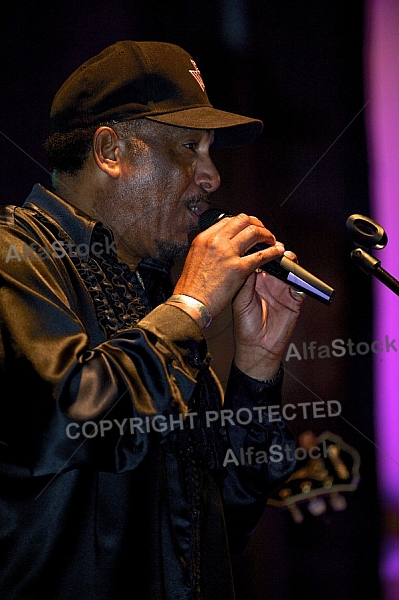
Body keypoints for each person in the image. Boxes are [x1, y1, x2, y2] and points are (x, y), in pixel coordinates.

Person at [0, 41, 304, 599]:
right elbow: (74, 423)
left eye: (211, 153)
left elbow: (223, 516)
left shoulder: (151, 286)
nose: (211, 177)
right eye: (191, 148)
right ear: (111, 150)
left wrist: (257, 371)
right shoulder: (14, 259)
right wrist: (189, 308)